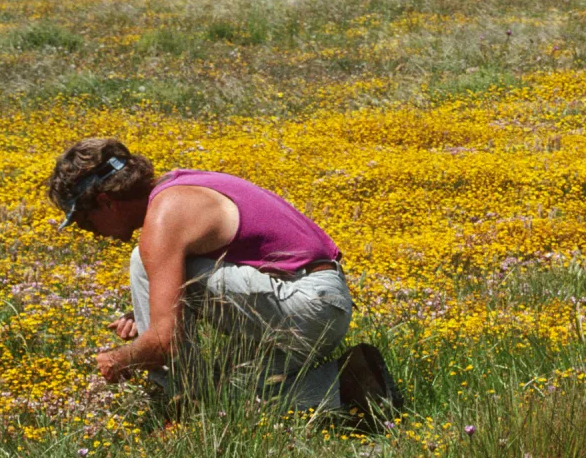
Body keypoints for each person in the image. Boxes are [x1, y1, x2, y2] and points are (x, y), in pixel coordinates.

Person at [43, 137, 400, 421]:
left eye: (85, 221)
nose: (91, 233)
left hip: (306, 304)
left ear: (106, 201)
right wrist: (148, 313)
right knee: (223, 395)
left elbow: (165, 342)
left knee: (141, 260)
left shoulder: (164, 217)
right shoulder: (178, 188)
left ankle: (176, 403)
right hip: (318, 303)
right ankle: (351, 384)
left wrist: (120, 359)